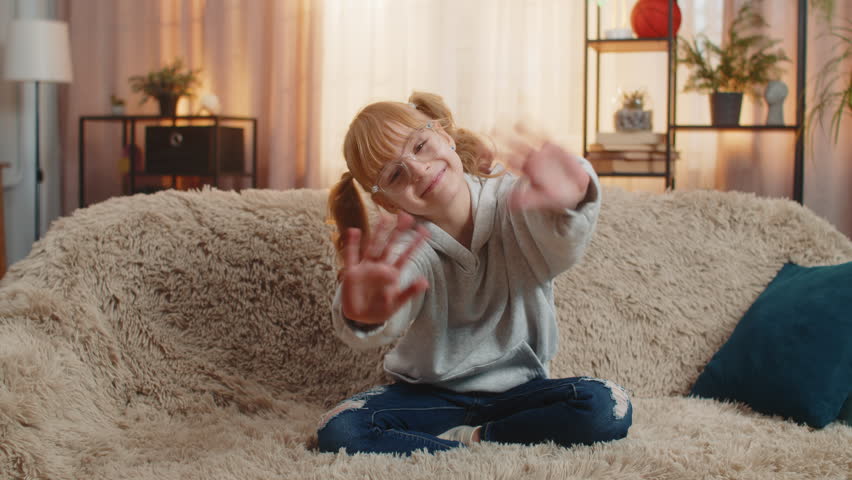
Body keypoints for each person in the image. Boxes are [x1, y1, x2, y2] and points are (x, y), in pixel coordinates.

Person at [318, 91, 632, 455]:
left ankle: (476, 439)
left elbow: (558, 244)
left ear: (445, 136)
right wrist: (365, 312)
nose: (419, 170)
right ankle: (470, 450)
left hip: (521, 392)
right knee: (341, 429)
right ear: (388, 201)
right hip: (428, 398)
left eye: (420, 145)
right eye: (395, 174)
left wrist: (572, 194)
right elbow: (387, 299)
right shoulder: (405, 246)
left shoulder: (514, 202)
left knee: (607, 406)